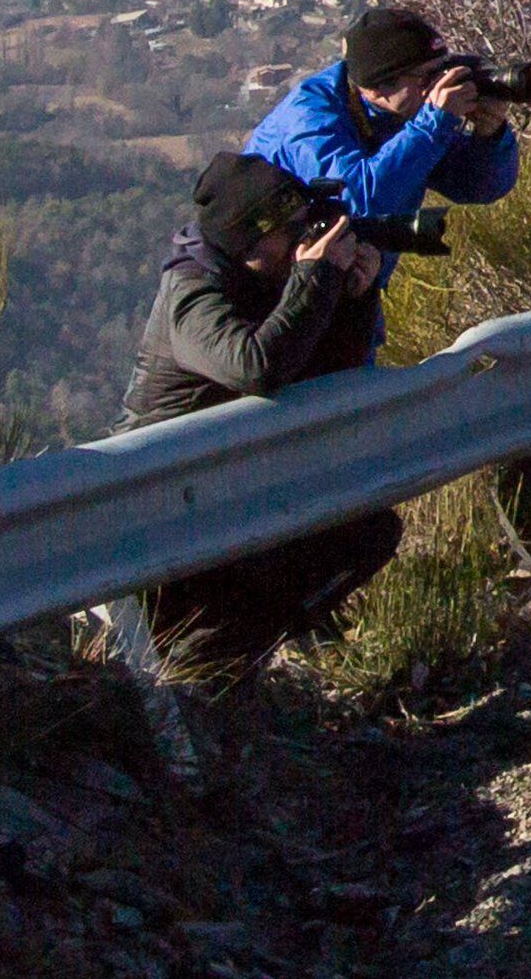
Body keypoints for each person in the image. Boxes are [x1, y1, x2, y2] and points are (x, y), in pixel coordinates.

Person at [123, 154, 403, 678]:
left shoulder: (271, 281)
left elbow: (321, 383)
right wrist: (313, 279)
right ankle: (208, 664)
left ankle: (224, 660)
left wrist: (353, 301)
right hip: (162, 501)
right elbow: (256, 365)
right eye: (290, 232)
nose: (303, 243)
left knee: (365, 533)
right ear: (247, 243)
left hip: (234, 486)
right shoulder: (194, 293)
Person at [243, 3, 522, 290]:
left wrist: (490, 136)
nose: (439, 87)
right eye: (427, 78)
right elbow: (358, 203)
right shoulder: (309, 121)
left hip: (353, 287)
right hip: (274, 295)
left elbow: (479, 186)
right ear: (377, 86)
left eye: (444, 71)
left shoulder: (407, 117)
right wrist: (434, 123)